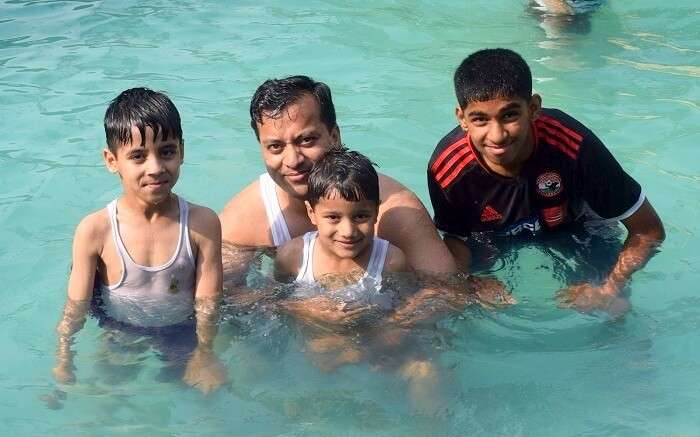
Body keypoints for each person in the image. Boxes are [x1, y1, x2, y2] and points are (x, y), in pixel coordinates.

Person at [427, 48, 665, 315]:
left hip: (576, 225)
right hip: (492, 238)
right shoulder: (448, 168)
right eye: (480, 119)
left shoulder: (574, 145)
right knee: (460, 308)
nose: (497, 135)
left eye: (509, 115)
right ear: (462, 119)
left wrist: (609, 288)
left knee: (615, 310)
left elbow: (648, 230)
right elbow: (455, 238)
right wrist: (469, 282)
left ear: (533, 108)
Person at [52, 88, 225, 394]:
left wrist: (205, 352)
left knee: (208, 394)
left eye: (167, 151)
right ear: (111, 160)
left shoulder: (202, 224)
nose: (155, 167)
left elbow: (208, 302)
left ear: (182, 151)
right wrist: (65, 355)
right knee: (106, 398)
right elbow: (76, 305)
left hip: (181, 331)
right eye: (138, 156)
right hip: (119, 331)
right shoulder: (95, 231)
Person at [219, 75, 456, 280]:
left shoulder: (394, 210)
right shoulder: (246, 219)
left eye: (307, 140)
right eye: (275, 146)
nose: (292, 160)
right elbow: (220, 300)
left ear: (334, 137)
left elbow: (445, 292)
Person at [273, 147, 439, 409]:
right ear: (312, 213)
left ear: (376, 212)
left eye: (360, 216)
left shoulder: (390, 261)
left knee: (425, 372)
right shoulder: (293, 256)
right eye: (333, 217)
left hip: (376, 348)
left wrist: (387, 329)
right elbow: (276, 303)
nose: (348, 231)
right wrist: (307, 309)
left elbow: (410, 306)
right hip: (322, 350)